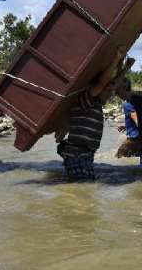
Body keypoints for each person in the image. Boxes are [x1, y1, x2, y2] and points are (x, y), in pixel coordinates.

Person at [56, 49, 134, 180]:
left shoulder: (96, 103)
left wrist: (125, 67)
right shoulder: (87, 99)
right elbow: (104, 83)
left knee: (83, 191)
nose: (110, 92)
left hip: (85, 154)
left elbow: (111, 84)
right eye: (107, 90)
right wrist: (116, 60)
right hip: (78, 154)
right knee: (81, 189)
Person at [115, 78, 142, 158]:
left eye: (117, 91)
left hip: (134, 139)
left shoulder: (127, 103)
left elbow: (136, 118)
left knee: (119, 157)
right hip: (139, 139)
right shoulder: (137, 99)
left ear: (124, 88)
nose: (116, 93)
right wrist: (126, 126)